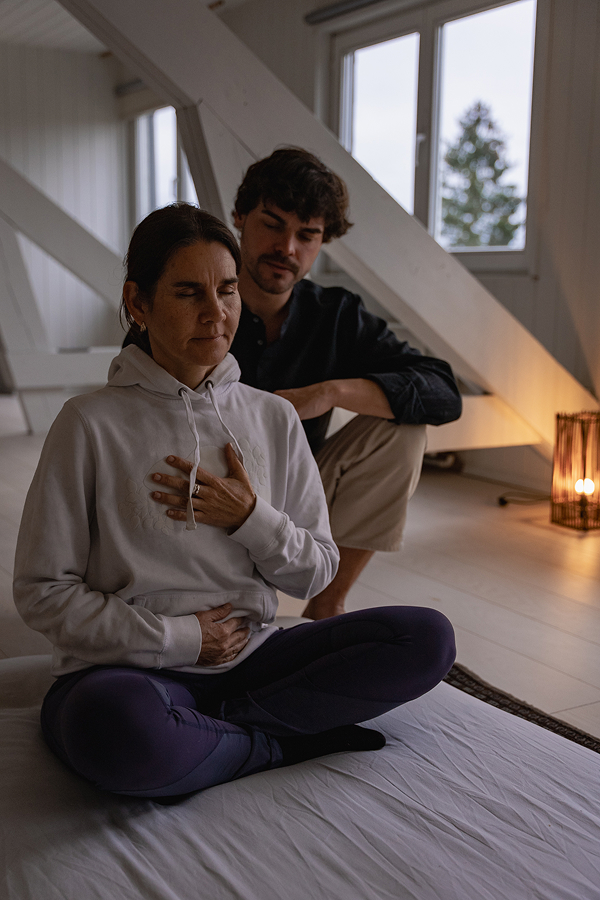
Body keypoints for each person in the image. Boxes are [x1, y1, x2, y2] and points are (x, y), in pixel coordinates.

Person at [14, 204, 456, 801]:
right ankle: (274, 740)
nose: (216, 313)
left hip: (254, 657)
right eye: (188, 293)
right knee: (115, 728)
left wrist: (251, 519)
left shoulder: (271, 416)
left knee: (426, 638)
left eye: (226, 290)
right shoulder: (89, 423)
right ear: (138, 303)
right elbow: (44, 593)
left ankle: (214, 738)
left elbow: (317, 571)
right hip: (133, 670)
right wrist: (183, 640)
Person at [229, 148, 463, 621]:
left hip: (299, 491)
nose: (287, 248)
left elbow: (442, 391)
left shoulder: (335, 314)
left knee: (403, 427)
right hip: (206, 490)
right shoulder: (202, 299)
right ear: (239, 217)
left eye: (307, 235)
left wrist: (329, 393)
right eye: (272, 224)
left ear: (322, 241)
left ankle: (328, 602)